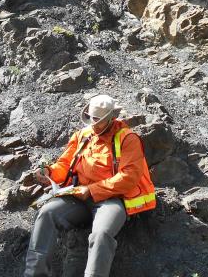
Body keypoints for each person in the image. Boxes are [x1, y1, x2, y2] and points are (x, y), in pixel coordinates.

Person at [24, 95, 156, 277]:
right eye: (92, 119)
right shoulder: (83, 135)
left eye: (99, 121)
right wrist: (49, 172)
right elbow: (64, 164)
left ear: (111, 118)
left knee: (102, 234)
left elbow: (128, 178)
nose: (94, 124)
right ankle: (34, 274)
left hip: (111, 201)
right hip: (78, 197)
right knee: (46, 213)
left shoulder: (128, 139)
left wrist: (92, 190)